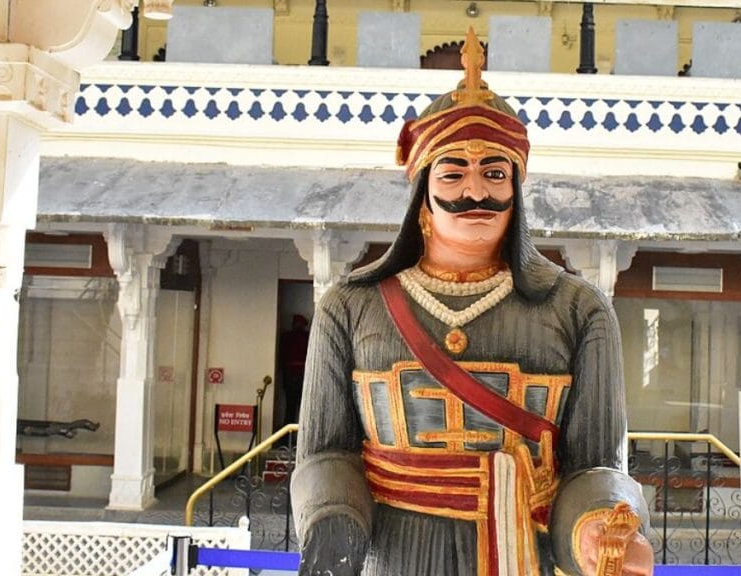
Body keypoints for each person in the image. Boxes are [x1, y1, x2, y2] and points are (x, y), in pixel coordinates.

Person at [291, 29, 654, 576]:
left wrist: (598, 528)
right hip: (395, 548)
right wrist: (331, 520)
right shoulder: (349, 304)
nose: (476, 192)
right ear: (422, 194)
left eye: (494, 173)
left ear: (517, 190)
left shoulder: (579, 309)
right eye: (454, 172)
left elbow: (596, 462)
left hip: (519, 546)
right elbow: (324, 450)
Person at [279, 314, 311, 424]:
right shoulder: (307, 337)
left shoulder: (286, 337)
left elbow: (281, 358)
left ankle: (285, 438)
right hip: (303, 376)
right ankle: (299, 437)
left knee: (290, 409)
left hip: (290, 377)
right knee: (303, 409)